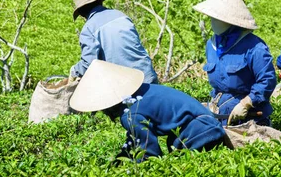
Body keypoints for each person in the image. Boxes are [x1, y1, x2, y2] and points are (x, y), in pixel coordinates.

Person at [69, 60, 228, 162]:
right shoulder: (140, 91)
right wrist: (121, 159)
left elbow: (150, 153)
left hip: (200, 132)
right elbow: (135, 139)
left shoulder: (131, 114)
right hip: (204, 125)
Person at [193, 0, 276, 127]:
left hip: (250, 117)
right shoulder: (211, 45)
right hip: (220, 113)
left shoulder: (255, 48)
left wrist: (247, 103)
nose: (213, 22)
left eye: (217, 19)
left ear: (230, 22)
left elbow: (267, 80)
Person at [69, 0, 158, 84]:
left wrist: (74, 71)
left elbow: (88, 64)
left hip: (127, 83)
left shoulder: (89, 28)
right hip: (147, 74)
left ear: (81, 13)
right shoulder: (120, 15)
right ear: (100, 2)